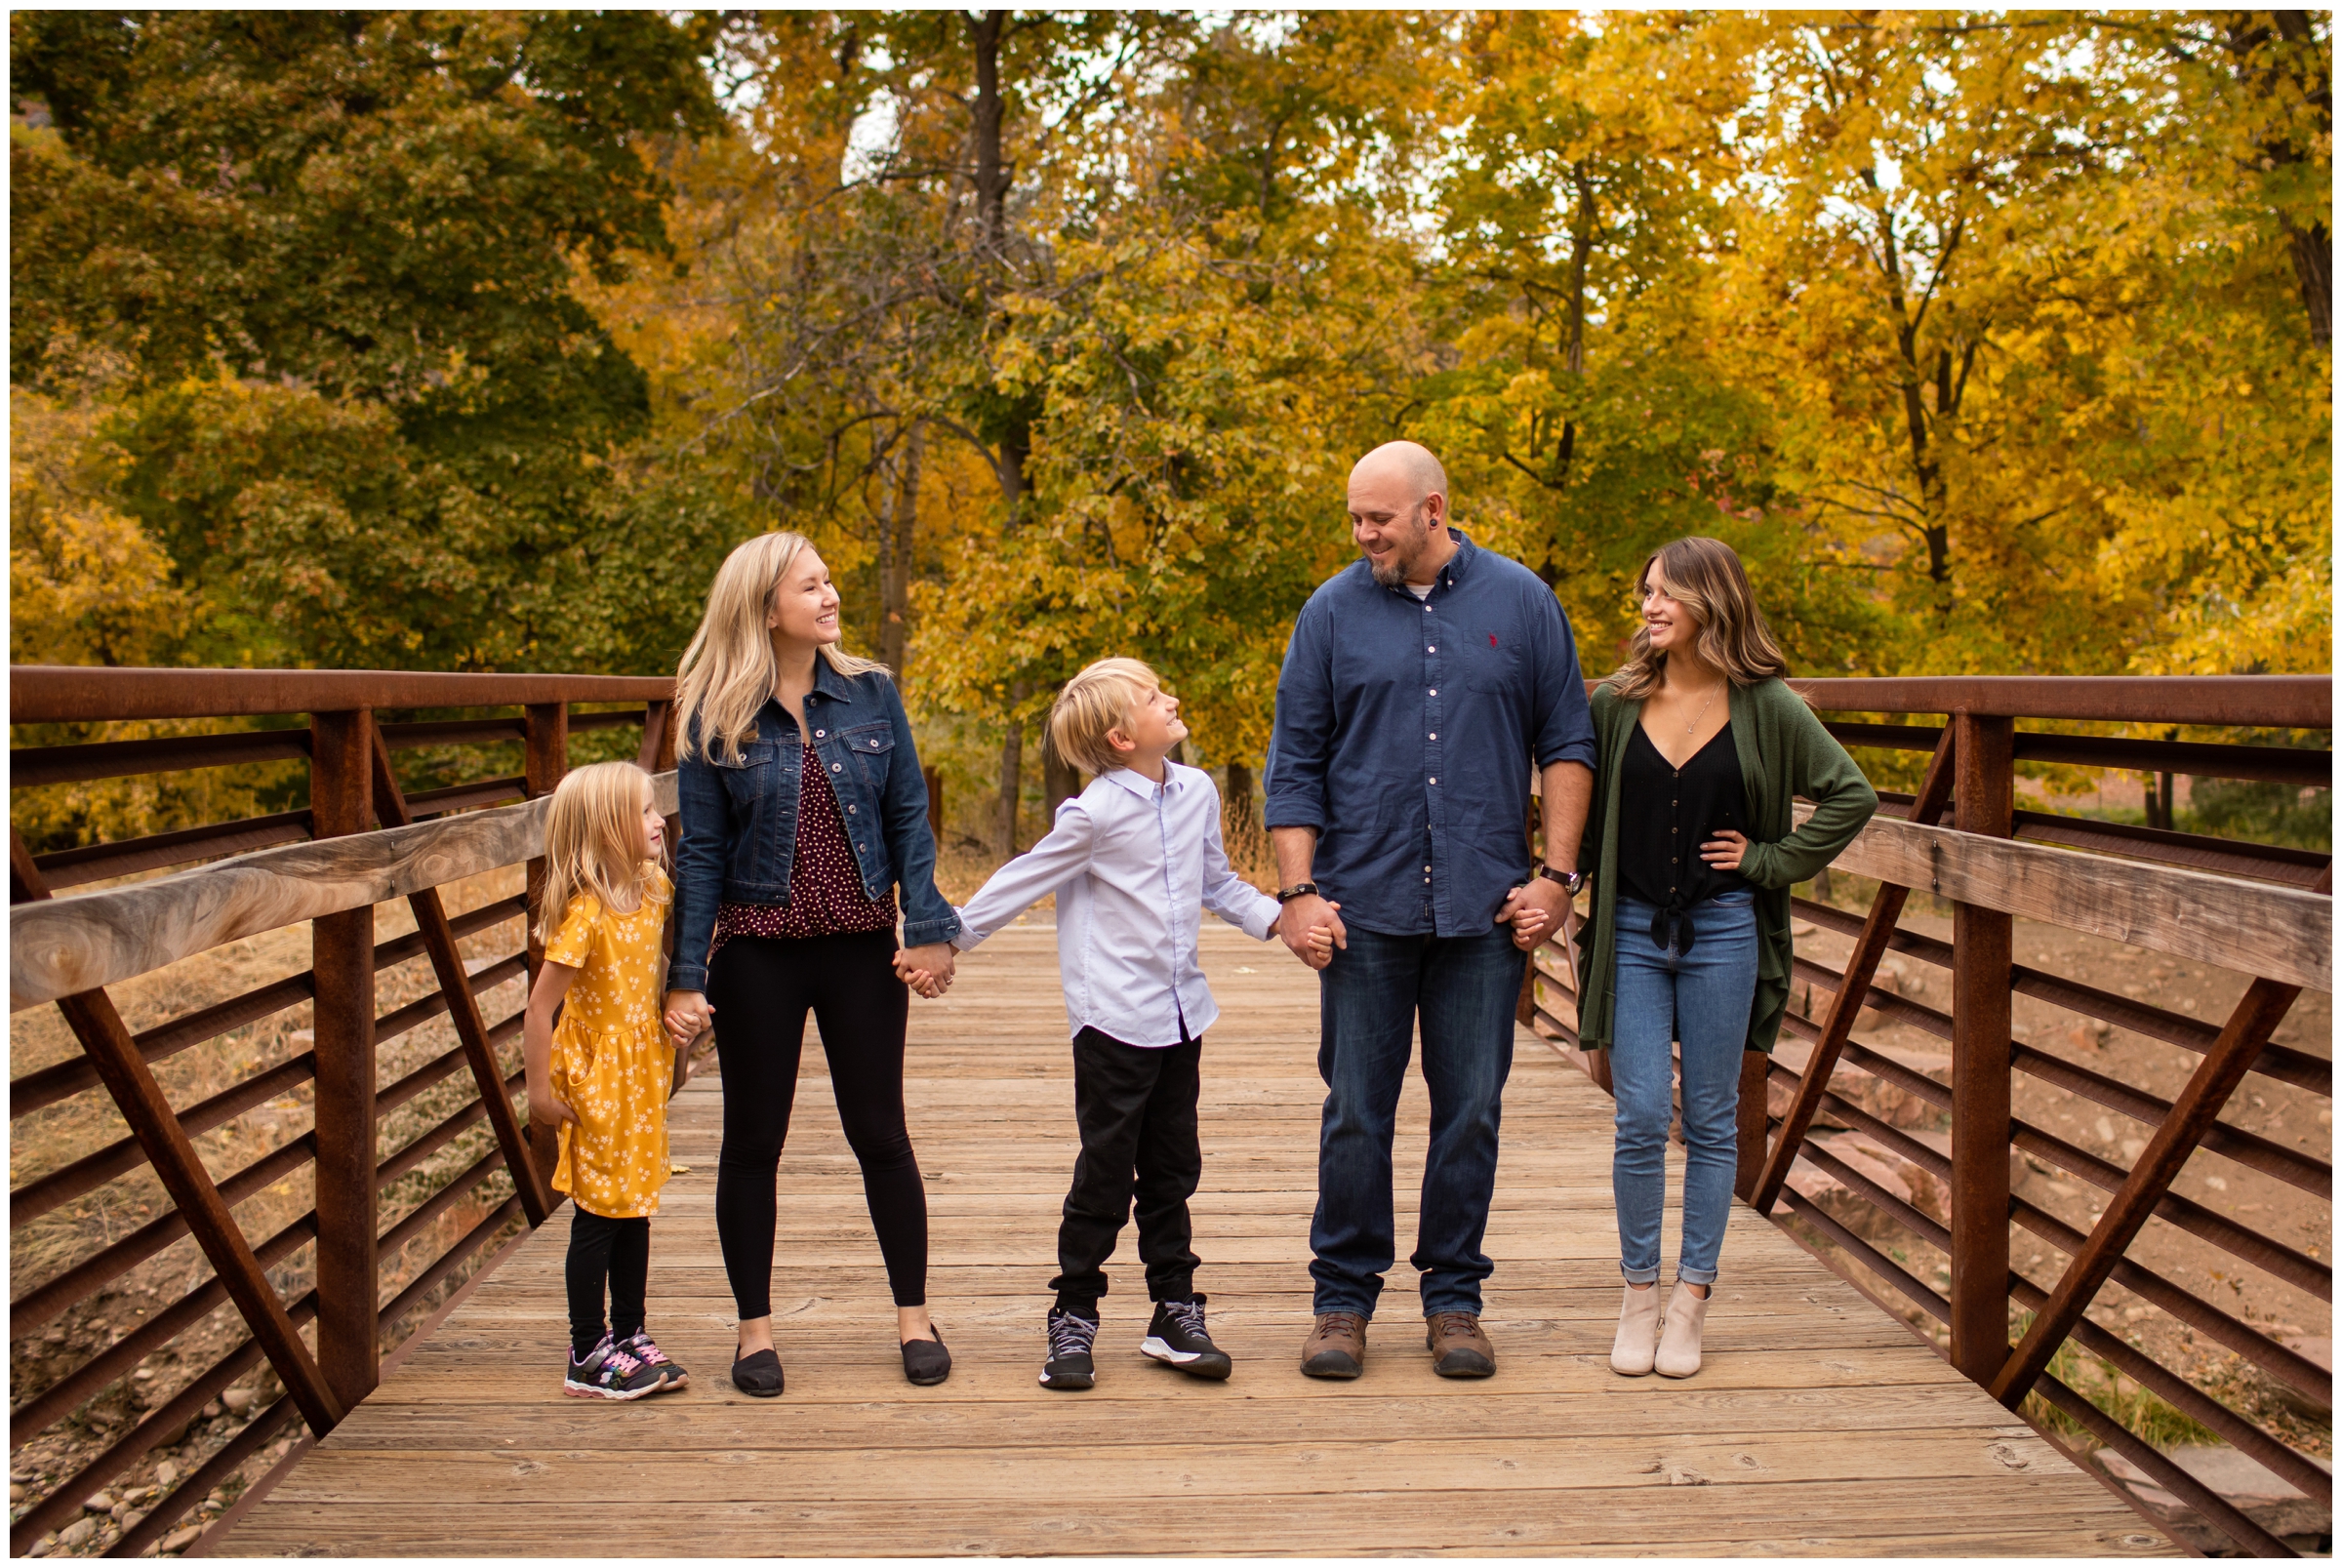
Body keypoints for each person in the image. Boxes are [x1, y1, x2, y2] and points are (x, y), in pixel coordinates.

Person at [1263, 440, 1596, 1381]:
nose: (1363, 533)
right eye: (1354, 518)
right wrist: (1297, 893)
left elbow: (1568, 743)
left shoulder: (1524, 602)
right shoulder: (1330, 613)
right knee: (1357, 1112)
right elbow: (1295, 762)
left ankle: (1455, 1299)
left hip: (1485, 914)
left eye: (1379, 517)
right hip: (1362, 908)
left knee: (1471, 1114)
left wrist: (1557, 878)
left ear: (1434, 510)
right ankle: (1342, 1301)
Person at [909, 659, 1299, 1389]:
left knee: (1175, 1166)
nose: (1172, 696)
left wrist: (1279, 920)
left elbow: (1216, 878)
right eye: (1155, 697)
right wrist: (945, 937)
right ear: (1122, 737)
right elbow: (1024, 875)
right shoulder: (1092, 813)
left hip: (1183, 1013)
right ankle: (1074, 1311)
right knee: (1107, 1169)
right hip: (1114, 1018)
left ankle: (1174, 1311)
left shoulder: (1196, 790)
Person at [660, 531, 962, 1399]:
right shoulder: (713, 715)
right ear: (764, 608)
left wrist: (928, 925)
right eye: (811, 585)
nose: (831, 597)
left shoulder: (872, 696)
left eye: (831, 582)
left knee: (881, 1133)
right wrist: (686, 974)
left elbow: (909, 817)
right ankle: (755, 1331)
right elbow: (704, 855)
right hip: (757, 957)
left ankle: (914, 1316)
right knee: (754, 1142)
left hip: (862, 949)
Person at [1565, 536, 1876, 1379]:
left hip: (1727, 932)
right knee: (1636, 1116)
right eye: (1645, 593)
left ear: (1714, 601)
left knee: (1709, 1119)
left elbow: (1853, 794)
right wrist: (1553, 881)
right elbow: (1577, 805)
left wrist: (1770, 861)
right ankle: (1638, 1291)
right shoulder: (1615, 703)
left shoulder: (1768, 706)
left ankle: (1690, 1298)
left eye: (1667, 593)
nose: (1649, 607)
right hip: (1630, 930)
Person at [522, 760, 691, 1400]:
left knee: (637, 1203)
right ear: (606, 826)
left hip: (641, 1071)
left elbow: (695, 903)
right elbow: (541, 1008)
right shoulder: (586, 914)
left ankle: (631, 1332)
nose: (658, 821)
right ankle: (587, 1350)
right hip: (594, 1076)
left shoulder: (651, 889)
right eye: (645, 811)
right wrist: (540, 1091)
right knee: (598, 1212)